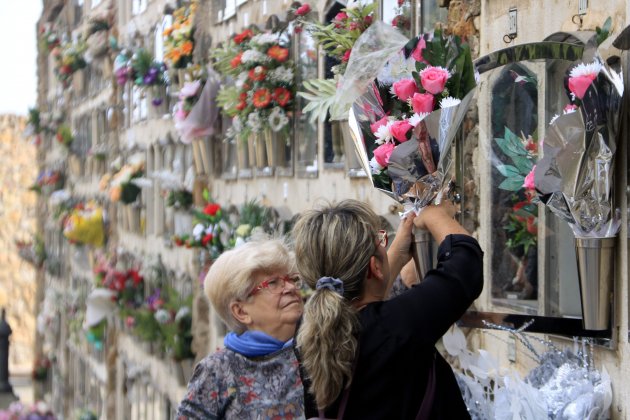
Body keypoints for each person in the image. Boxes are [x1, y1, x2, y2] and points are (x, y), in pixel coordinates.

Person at [293, 199, 483, 419]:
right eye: (381, 242)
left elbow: (364, 304)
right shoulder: (397, 325)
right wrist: (435, 215)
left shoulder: (308, 329)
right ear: (374, 267)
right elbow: (465, 264)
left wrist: (395, 256)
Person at [176, 238, 305, 419]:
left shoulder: (317, 353)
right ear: (241, 311)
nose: (291, 287)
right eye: (273, 283)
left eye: (291, 279)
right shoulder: (217, 372)